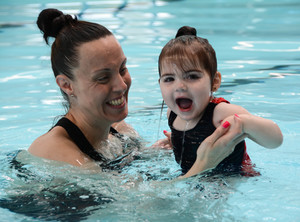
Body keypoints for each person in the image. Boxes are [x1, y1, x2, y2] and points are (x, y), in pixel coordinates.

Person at [28, 9, 246, 178]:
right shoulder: (54, 152)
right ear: (67, 85)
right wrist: (204, 164)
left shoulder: (119, 130)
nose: (121, 85)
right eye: (103, 77)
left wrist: (177, 147)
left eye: (122, 69)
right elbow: (139, 206)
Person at [158, 26, 283, 175]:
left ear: (215, 81)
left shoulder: (222, 114)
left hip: (233, 180)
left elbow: (275, 141)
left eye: (192, 76)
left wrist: (243, 123)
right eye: (169, 79)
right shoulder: (171, 114)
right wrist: (178, 142)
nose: (180, 86)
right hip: (194, 180)